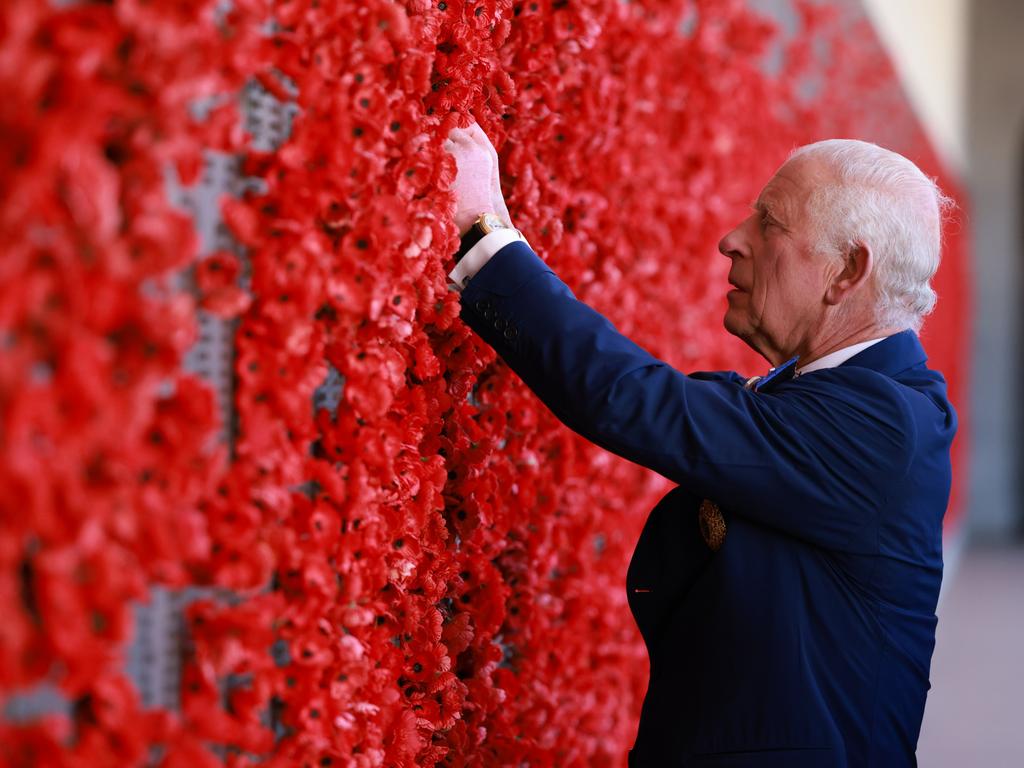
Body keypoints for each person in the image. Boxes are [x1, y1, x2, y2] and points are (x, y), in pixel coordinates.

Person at [442, 123, 956, 767]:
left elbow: (638, 401)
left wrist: (482, 236)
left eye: (769, 223)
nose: (731, 240)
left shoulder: (884, 426)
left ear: (847, 270)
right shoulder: (859, 400)